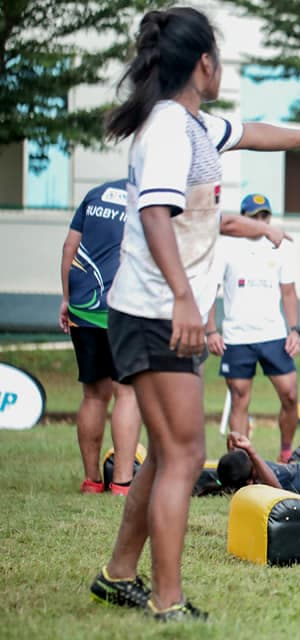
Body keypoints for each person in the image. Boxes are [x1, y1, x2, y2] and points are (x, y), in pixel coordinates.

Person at [89, 6, 300, 622]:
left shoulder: (193, 126)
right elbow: (154, 214)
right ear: (204, 64)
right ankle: (167, 602)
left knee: (167, 454)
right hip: (157, 312)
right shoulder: (166, 128)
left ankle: (119, 575)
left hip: (161, 312)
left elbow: (256, 131)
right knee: (184, 457)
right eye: (221, 59)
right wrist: (186, 298)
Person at [59, 179, 142, 496]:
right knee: (127, 393)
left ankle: (92, 480)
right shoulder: (147, 196)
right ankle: (122, 482)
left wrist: (66, 299)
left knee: (93, 395)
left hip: (83, 304)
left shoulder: (96, 194)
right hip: (122, 306)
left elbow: (70, 247)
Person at [206, 193, 300, 463]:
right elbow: (210, 291)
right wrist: (211, 330)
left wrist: (295, 329)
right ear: (243, 218)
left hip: (273, 334)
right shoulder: (225, 246)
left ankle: (286, 452)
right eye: (254, 217)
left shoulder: (281, 246)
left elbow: (289, 292)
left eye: (265, 216)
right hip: (237, 336)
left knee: (290, 395)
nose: (260, 222)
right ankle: (238, 462)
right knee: (239, 398)